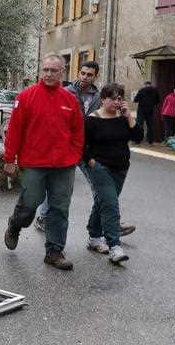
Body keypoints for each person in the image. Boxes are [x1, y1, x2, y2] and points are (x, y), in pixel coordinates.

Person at [33, 61, 136, 237]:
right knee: (58, 184)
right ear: (78, 73)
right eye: (82, 73)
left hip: (87, 147)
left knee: (101, 186)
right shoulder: (66, 92)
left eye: (89, 74)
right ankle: (43, 217)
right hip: (66, 146)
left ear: (95, 76)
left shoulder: (98, 96)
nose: (84, 77)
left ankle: (111, 222)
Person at [3, 55, 85, 270]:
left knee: (59, 208)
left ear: (62, 73)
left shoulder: (70, 100)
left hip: (63, 165)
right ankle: (15, 224)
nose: (48, 74)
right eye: (45, 69)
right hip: (34, 162)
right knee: (30, 203)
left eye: (53, 70)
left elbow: (78, 131)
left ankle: (54, 252)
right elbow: (14, 130)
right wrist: (9, 159)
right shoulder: (26, 96)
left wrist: (75, 155)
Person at [83, 84, 143, 263]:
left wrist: (129, 117)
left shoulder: (123, 118)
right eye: (113, 98)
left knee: (102, 202)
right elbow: (81, 144)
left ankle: (94, 238)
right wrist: (91, 161)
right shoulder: (92, 119)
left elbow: (138, 137)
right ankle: (114, 246)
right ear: (103, 99)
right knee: (110, 204)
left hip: (121, 167)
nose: (117, 102)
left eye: (119, 98)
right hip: (100, 167)